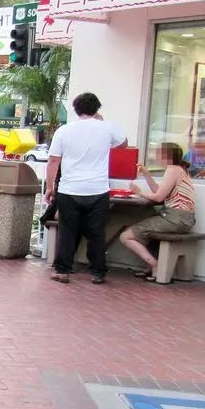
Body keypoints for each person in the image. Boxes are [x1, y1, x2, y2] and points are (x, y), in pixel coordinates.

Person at [45, 93, 128, 284]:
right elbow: (123, 144)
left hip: (69, 189)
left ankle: (62, 270)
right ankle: (98, 272)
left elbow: (53, 161)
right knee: (97, 232)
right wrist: (103, 124)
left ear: (75, 109)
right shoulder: (107, 128)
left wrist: (50, 187)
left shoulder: (64, 131)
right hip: (98, 189)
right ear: (97, 108)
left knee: (67, 230)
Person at [119, 143, 196, 280]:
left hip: (174, 218)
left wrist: (140, 193)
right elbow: (160, 192)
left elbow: (159, 197)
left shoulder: (173, 170)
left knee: (126, 236)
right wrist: (147, 175)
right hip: (183, 218)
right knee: (139, 231)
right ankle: (151, 265)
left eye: (158, 154)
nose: (156, 157)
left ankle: (155, 265)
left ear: (167, 156)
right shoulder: (179, 170)